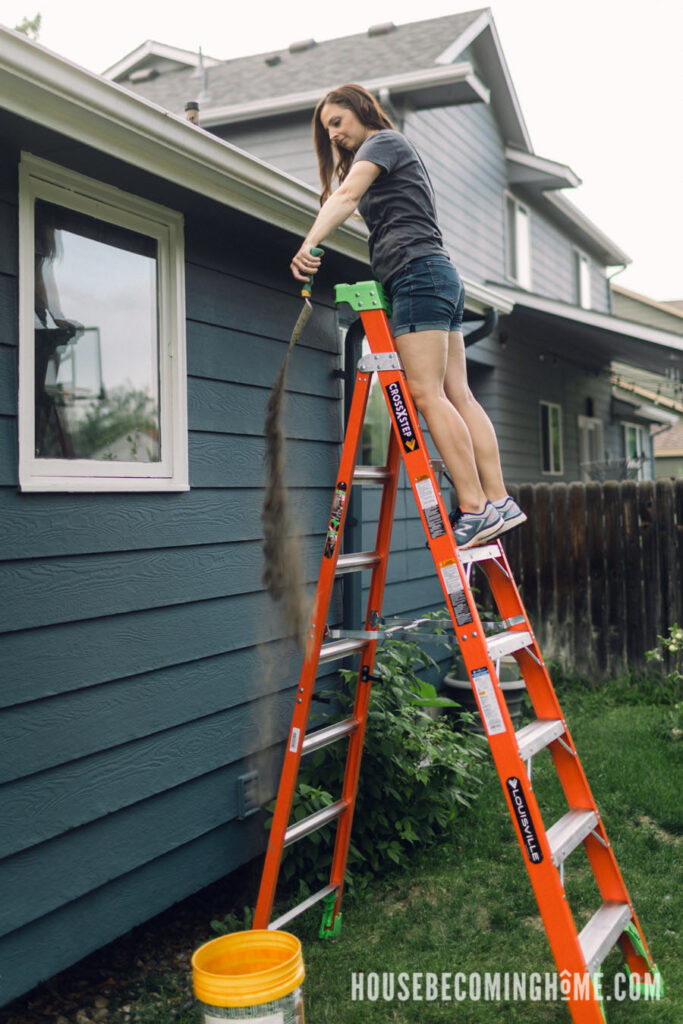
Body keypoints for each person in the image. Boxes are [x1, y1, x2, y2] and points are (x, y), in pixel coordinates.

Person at [290, 83, 526, 548]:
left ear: (361, 110)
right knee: (458, 393)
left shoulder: (383, 141)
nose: (333, 134)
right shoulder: (386, 154)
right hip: (437, 276)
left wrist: (307, 243)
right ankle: (499, 501)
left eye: (337, 122)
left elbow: (344, 198)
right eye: (327, 129)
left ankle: (476, 507)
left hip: (418, 276)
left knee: (426, 393)